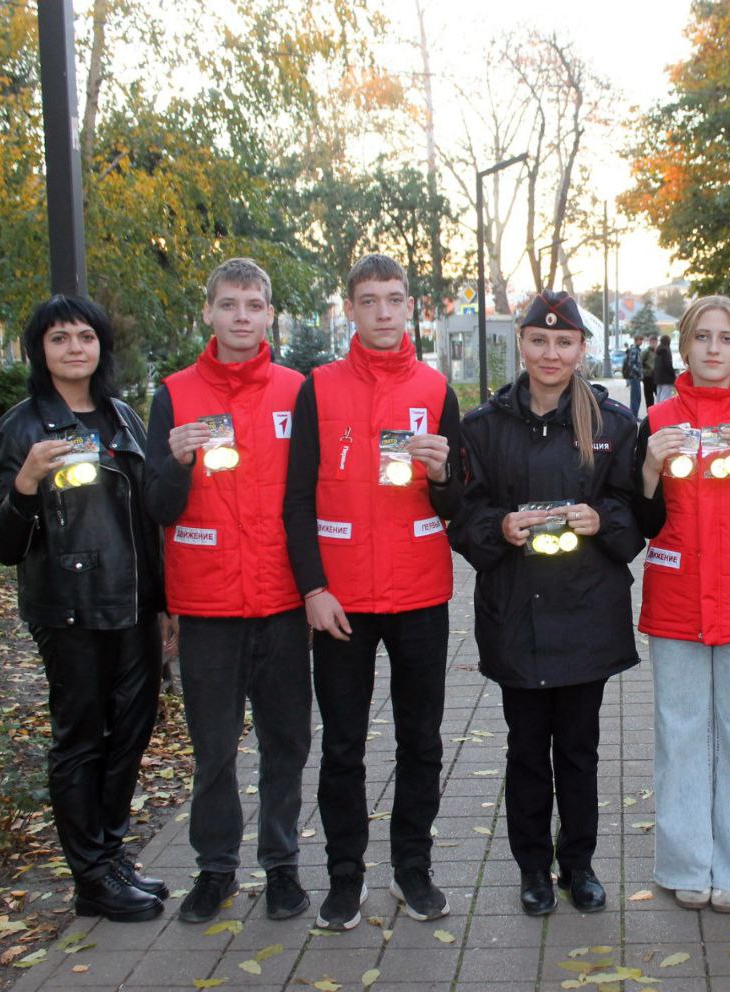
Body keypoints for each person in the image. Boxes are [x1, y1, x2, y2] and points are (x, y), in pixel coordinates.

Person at [449, 291, 642, 917]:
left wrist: (600, 517)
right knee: (527, 750)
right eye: (539, 340)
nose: (551, 352)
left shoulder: (612, 425)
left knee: (580, 750)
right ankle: (533, 866)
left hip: (586, 613)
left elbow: (639, 519)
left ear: (582, 349)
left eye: (564, 342)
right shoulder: (483, 426)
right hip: (516, 613)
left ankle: (577, 864)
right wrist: (497, 529)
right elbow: (462, 514)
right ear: (522, 346)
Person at [283, 253, 461, 930]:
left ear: (409, 306)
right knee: (344, 746)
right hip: (342, 602)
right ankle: (344, 877)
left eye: (394, 299)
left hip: (420, 595)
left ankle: (413, 872)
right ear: (350, 309)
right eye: (369, 300)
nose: (384, 312)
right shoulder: (318, 387)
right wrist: (313, 588)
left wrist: (444, 476)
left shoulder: (437, 387)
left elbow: (459, 502)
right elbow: (297, 499)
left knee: (421, 742)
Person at [0, 296, 166, 922]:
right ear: (40, 349)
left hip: (137, 605)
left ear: (100, 347)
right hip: (70, 609)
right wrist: (26, 483)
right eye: (59, 338)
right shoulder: (22, 428)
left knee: (134, 732)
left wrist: (163, 605)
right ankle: (90, 875)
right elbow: (3, 544)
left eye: (85, 337)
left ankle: (109, 853)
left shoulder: (122, 417)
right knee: (81, 738)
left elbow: (148, 517)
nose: (74, 349)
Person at [144, 259, 312, 923]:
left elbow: (312, 492)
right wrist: (177, 461)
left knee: (286, 744)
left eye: (253, 305)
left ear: (269, 314)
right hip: (208, 606)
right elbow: (158, 505)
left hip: (282, 603)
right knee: (213, 750)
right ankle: (215, 871)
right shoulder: (174, 394)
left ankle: (282, 869)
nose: (242, 316)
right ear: (208, 313)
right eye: (229, 304)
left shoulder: (298, 391)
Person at [633, 295, 730, 913]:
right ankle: (686, 862)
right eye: (703, 337)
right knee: (680, 733)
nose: (714, 349)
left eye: (726, 339)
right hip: (676, 600)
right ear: (686, 347)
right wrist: (648, 465)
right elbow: (642, 521)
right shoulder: (658, 418)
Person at [624, 334, 644, 418]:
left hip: (636, 377)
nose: (641, 342)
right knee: (635, 397)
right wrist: (639, 372)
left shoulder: (637, 350)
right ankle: (633, 416)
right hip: (634, 377)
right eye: (640, 340)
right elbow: (631, 364)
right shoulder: (634, 350)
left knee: (637, 397)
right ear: (636, 340)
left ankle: (634, 415)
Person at [653, 334, 676, 403]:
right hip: (666, 378)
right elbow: (668, 365)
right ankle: (662, 412)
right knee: (665, 397)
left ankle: (658, 412)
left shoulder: (658, 350)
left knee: (659, 396)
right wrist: (673, 375)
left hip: (658, 378)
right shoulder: (666, 350)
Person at [642, 333, 659, 407]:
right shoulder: (646, 351)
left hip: (657, 377)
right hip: (648, 376)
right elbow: (641, 362)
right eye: (652, 341)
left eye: (655, 342)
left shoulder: (659, 351)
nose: (653, 343)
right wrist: (644, 372)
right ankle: (650, 414)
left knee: (658, 395)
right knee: (649, 397)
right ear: (649, 342)